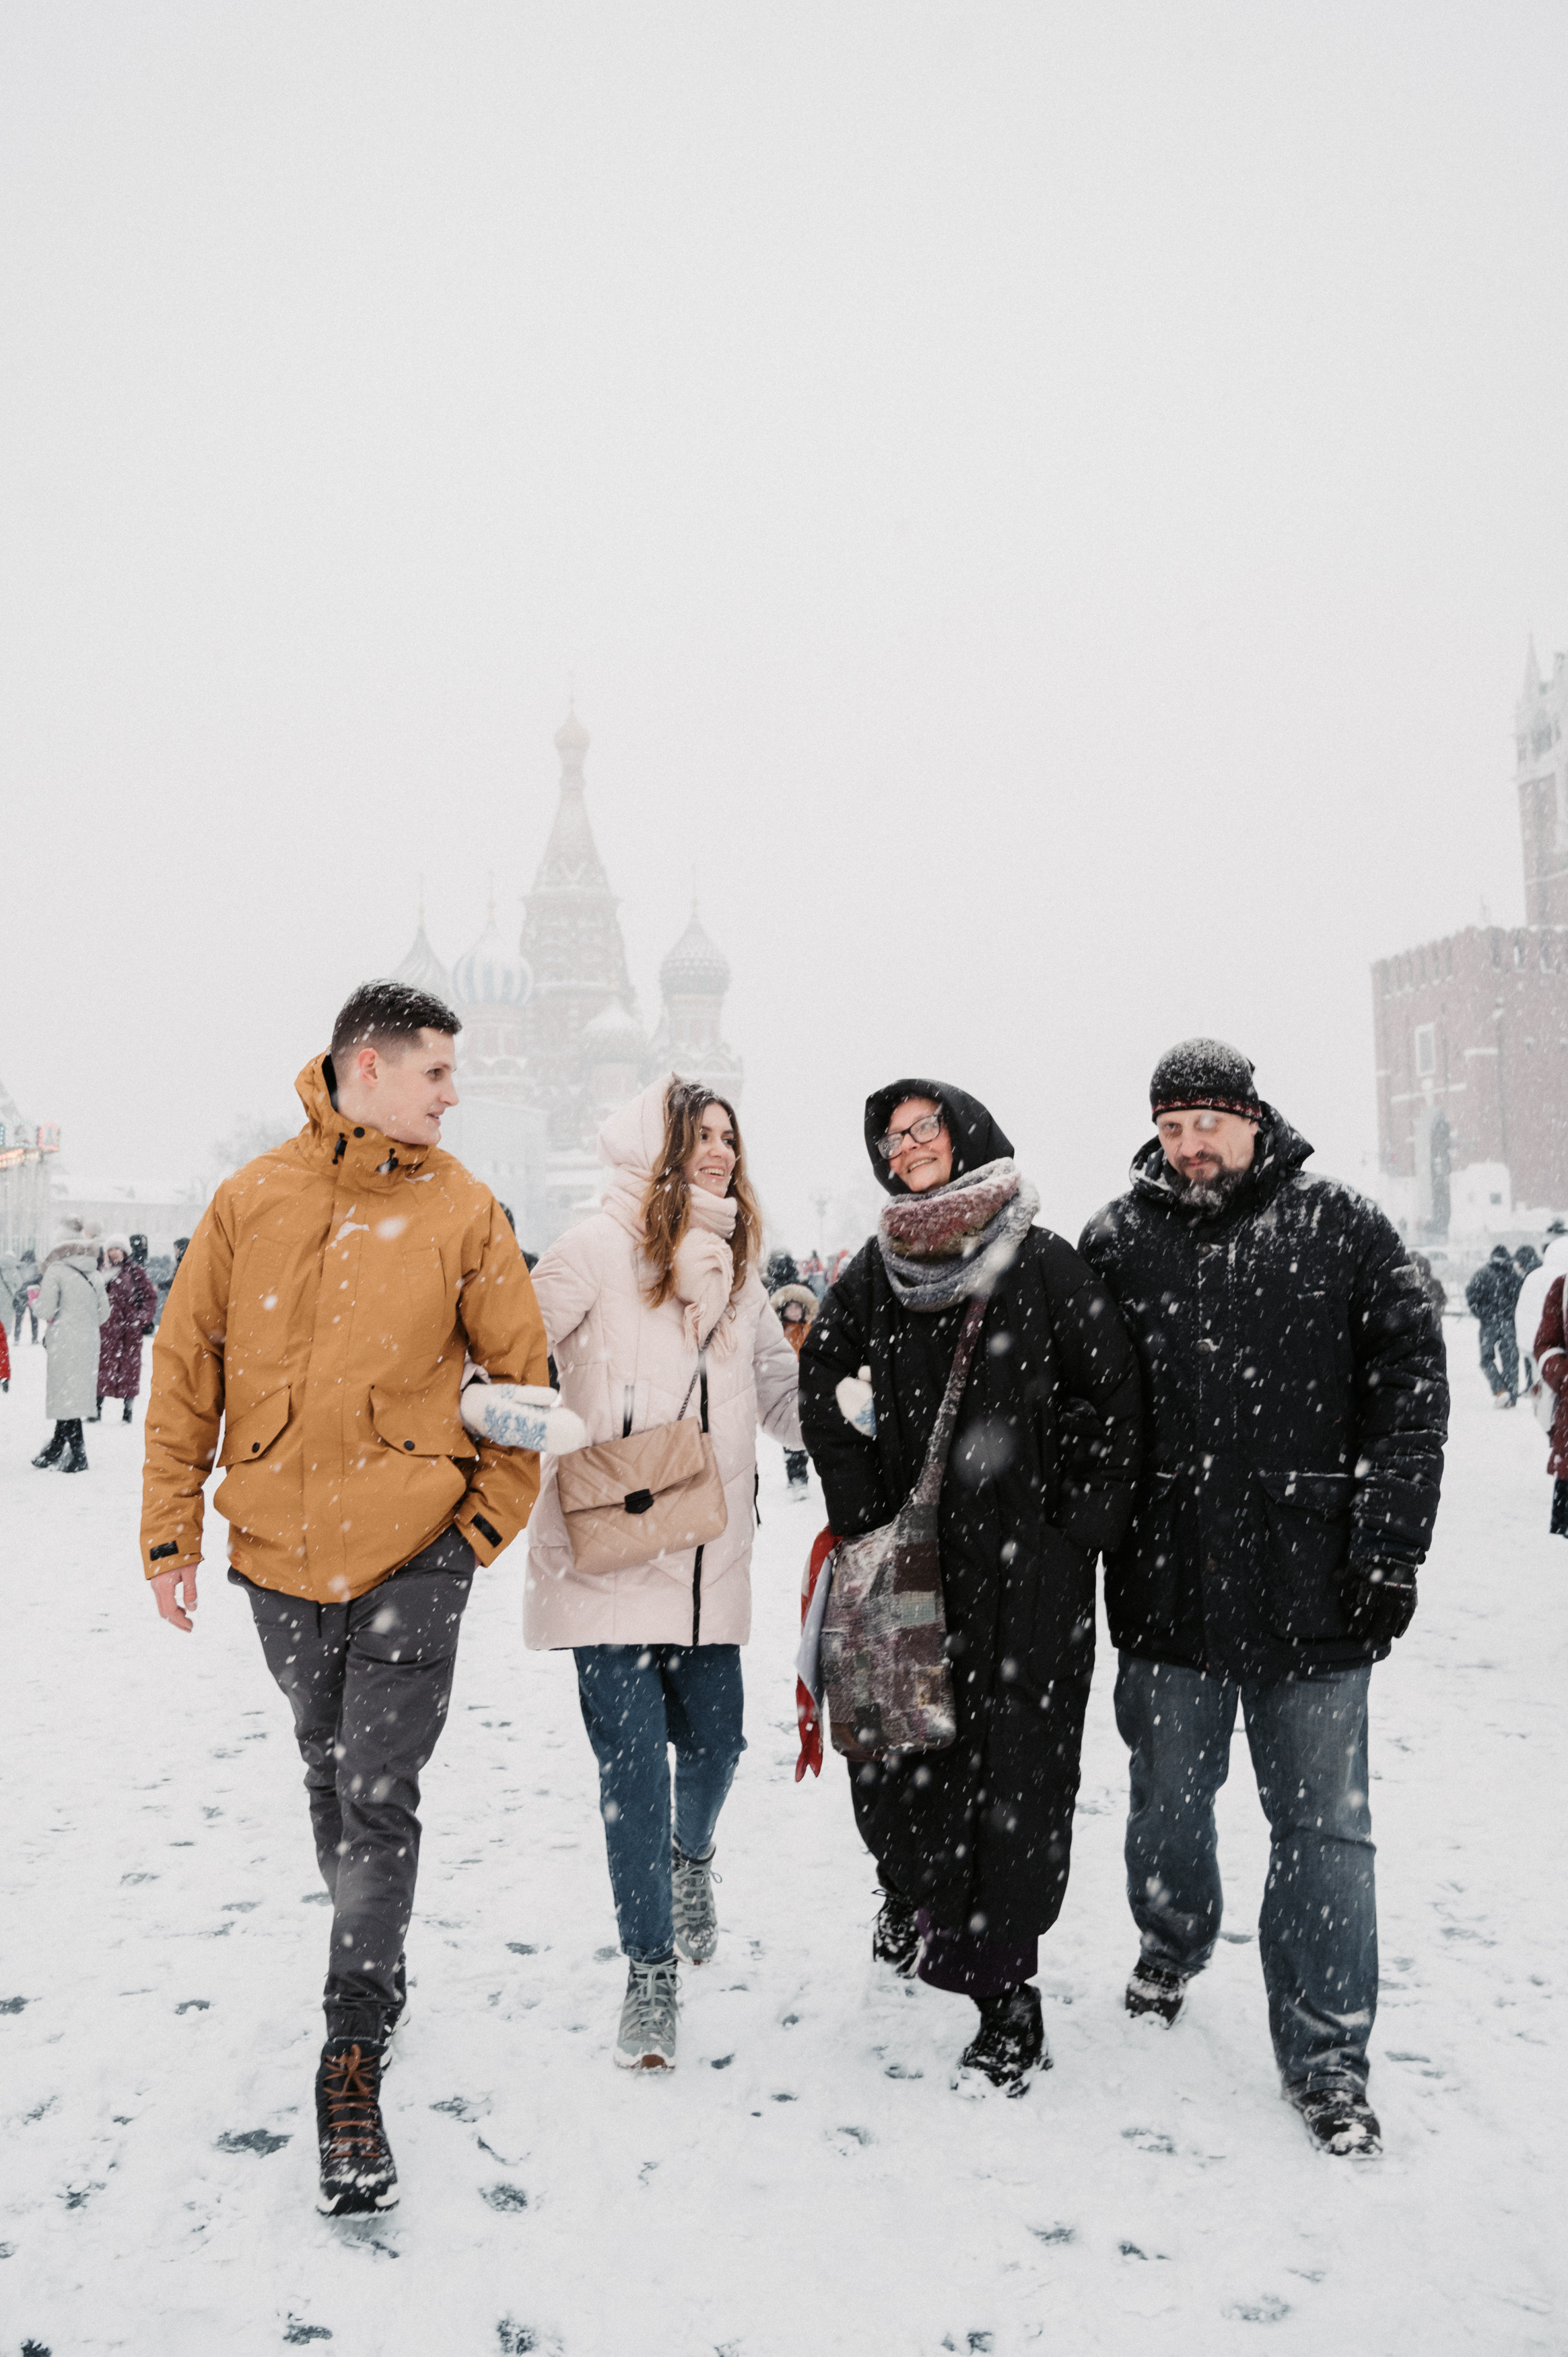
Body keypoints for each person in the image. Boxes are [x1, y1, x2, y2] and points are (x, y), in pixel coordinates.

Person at [140, 981, 549, 2217]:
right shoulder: (253, 1200)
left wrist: (473, 1532)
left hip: (412, 1555)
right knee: (326, 1773)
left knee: (378, 1795)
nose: (451, 1092)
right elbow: (186, 1366)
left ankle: (352, 2044)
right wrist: (171, 1532)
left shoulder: (463, 1209)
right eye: (435, 1072)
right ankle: (372, 1957)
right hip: (273, 1555)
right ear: (365, 1068)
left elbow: (524, 1387)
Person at [1079, 1038, 1447, 2159]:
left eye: (1209, 1120)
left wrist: (1385, 1548)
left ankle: (1327, 2049)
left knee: (1323, 1832)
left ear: (1250, 1118)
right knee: (1165, 1805)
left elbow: (1409, 1392)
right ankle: (1172, 1938)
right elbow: (1070, 1400)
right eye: (1171, 1122)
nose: (1190, 1144)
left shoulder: (1340, 1227)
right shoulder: (1112, 1241)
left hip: (1314, 1587)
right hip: (1165, 1583)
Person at [799, 1081, 1140, 2094]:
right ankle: (910, 1891)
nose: (907, 1149)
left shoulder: (1040, 1260)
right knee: (902, 1755)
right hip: (910, 1570)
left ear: (966, 1132)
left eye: (923, 1129)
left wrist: (1068, 1520)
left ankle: (1005, 1992)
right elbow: (822, 1374)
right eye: (891, 1138)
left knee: (1015, 1779)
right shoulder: (880, 1270)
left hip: (1025, 1578)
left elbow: (1113, 1394)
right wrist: (864, 1505)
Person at [524, 1075, 801, 2071]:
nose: (720, 1149)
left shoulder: (741, 1271)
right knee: (631, 1775)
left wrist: (862, 1409)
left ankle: (693, 1860)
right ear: (657, 1144)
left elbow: (779, 1398)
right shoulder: (597, 1248)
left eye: (730, 1133)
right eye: (700, 1133)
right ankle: (648, 1976)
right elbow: (508, 1344)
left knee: (719, 1744)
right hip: (609, 1552)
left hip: (707, 1562)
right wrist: (520, 1415)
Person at [31, 1218, 110, 1471]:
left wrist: (34, 1301)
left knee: (65, 1396)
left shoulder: (56, 1271)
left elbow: (45, 1309)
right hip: (88, 1341)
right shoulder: (95, 1274)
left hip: (64, 1341)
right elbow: (104, 1314)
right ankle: (56, 1448)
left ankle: (78, 1455)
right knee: (73, 1396)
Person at [94, 1234, 160, 1423]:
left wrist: (141, 1318)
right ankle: (96, 1410)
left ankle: (127, 1412)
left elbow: (149, 1298)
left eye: (117, 1249)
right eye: (111, 1250)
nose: (114, 1253)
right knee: (102, 1368)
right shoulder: (101, 1273)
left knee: (129, 1370)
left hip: (129, 1331)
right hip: (107, 1329)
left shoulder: (136, 1272)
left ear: (124, 1251)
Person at [769, 1277, 819, 1496]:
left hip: (806, 1388)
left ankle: (802, 1476)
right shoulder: (776, 1333)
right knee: (789, 1435)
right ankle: (796, 1477)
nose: (795, 1311)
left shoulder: (811, 1330)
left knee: (805, 1434)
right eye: (791, 1306)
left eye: (799, 1307)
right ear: (783, 1309)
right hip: (786, 1389)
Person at [1465, 1242, 1523, 1407]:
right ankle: (1510, 1395)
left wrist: (1483, 1313)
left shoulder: (1482, 1274)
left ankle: (1500, 1390)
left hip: (1489, 1323)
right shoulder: (1514, 1275)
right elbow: (1520, 1299)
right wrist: (1511, 1313)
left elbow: (1472, 1297)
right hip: (1508, 1323)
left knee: (1486, 1359)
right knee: (1510, 1359)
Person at [13, 1244, 41, 1343]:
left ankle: (17, 1338)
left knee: (19, 1318)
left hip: (21, 1295)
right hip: (32, 1295)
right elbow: (40, 1280)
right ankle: (34, 1338)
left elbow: (15, 1280)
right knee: (34, 1318)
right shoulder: (37, 1267)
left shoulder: (19, 1266)